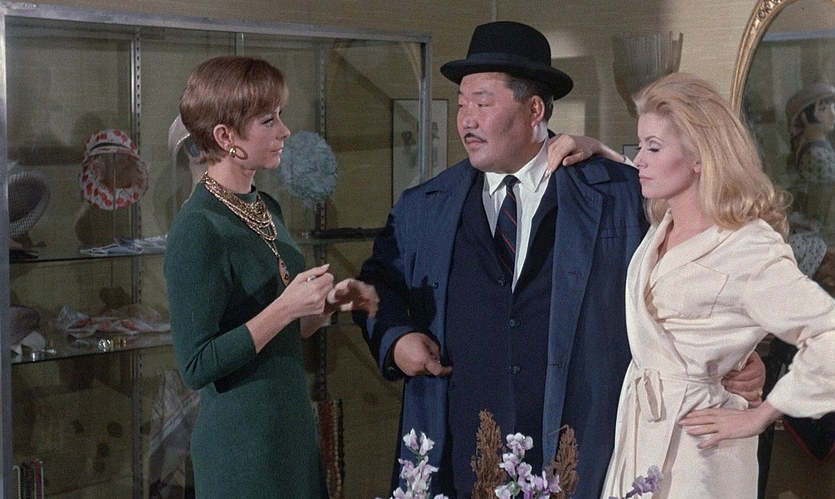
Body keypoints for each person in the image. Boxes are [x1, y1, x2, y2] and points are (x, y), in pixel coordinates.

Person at [354, 22, 763, 498]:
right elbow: (374, 285)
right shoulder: (424, 207)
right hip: (460, 457)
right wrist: (396, 338)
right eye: (462, 104)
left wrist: (736, 354)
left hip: (585, 451)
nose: (466, 120)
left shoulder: (617, 194)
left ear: (535, 110)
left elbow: (702, 265)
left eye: (483, 103)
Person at [601, 72, 835, 499]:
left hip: (702, 447)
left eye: (653, 148)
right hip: (638, 435)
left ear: (699, 155)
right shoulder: (661, 226)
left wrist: (761, 415)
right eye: (640, 146)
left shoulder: (748, 247)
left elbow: (829, 333)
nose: (639, 161)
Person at [163, 56, 379, 498]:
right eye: (268, 120)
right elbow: (196, 365)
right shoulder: (197, 227)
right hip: (242, 448)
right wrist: (285, 308)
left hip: (289, 430)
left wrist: (327, 303)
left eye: (280, 115)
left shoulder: (266, 208)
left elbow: (288, 331)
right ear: (225, 137)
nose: (284, 131)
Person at [785, 83, 835, 231]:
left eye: (833, 107)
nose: (832, 114)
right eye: (823, 109)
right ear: (805, 117)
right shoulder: (816, 156)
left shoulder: (820, 150)